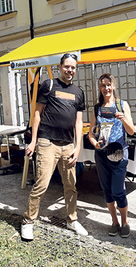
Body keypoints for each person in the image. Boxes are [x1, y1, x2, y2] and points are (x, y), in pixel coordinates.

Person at [21, 53, 88, 241]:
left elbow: (78, 122)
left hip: (68, 145)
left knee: (71, 186)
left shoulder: (78, 92)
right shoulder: (48, 85)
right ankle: (28, 221)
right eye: (67, 66)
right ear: (60, 67)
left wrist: (77, 147)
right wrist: (34, 141)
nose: (70, 70)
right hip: (47, 143)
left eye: (73, 67)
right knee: (41, 184)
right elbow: (37, 114)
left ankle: (72, 220)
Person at [88, 73, 135, 238]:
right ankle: (114, 222)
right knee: (107, 191)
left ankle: (125, 221)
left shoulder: (122, 105)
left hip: (118, 153)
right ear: (100, 88)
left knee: (118, 191)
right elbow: (91, 133)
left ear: (114, 86)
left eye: (109, 85)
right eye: (103, 85)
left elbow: (131, 131)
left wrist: (123, 119)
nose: (106, 88)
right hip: (101, 154)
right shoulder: (97, 108)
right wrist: (95, 143)